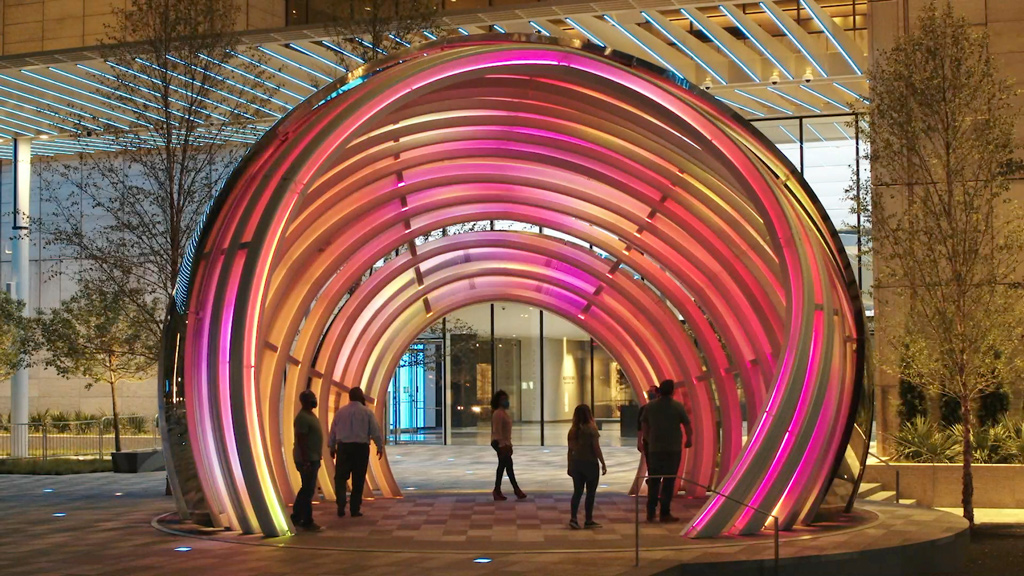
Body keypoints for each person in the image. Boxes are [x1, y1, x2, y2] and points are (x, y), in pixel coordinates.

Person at [641, 379, 693, 523]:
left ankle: (651, 512)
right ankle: (665, 512)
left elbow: (644, 425)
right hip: (673, 448)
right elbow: (687, 424)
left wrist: (647, 439)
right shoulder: (677, 406)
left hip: (655, 449)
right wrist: (689, 439)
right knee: (669, 481)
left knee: (654, 480)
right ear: (672, 391)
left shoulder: (650, 407)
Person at [328, 387, 384, 518]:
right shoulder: (367, 412)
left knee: (340, 478)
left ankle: (341, 503)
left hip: (343, 448)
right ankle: (354, 508)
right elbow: (375, 431)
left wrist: (332, 447)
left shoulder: (340, 412)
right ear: (361, 397)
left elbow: (333, 431)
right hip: (361, 448)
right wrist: (379, 446)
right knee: (358, 479)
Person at [567, 404, 607, 529]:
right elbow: (596, 448)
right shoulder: (591, 429)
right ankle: (588, 520)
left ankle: (573, 518)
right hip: (590, 464)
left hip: (576, 463)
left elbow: (570, 450)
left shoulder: (572, 430)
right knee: (590, 493)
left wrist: (569, 466)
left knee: (577, 492)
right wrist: (603, 463)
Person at [291, 389, 323, 531]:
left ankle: (297, 516)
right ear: (305, 401)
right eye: (312, 398)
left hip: (313, 457)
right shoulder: (303, 418)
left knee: (307, 489)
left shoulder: (309, 415)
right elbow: (301, 440)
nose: (314, 400)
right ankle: (307, 520)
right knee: (308, 489)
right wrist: (306, 461)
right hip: (307, 459)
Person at [490, 390, 527, 501]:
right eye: (503, 399)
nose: (506, 401)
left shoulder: (504, 413)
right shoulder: (498, 413)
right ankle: (513, 490)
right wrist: (502, 445)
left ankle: (504, 490)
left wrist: (509, 444)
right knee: (505, 467)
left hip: (505, 443)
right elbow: (497, 431)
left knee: (506, 467)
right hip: (500, 443)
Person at [636, 385, 660, 456]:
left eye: (651, 391)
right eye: (649, 391)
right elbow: (639, 427)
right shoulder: (643, 409)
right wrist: (639, 441)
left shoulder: (661, 408)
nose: (649, 393)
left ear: (657, 394)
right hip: (648, 441)